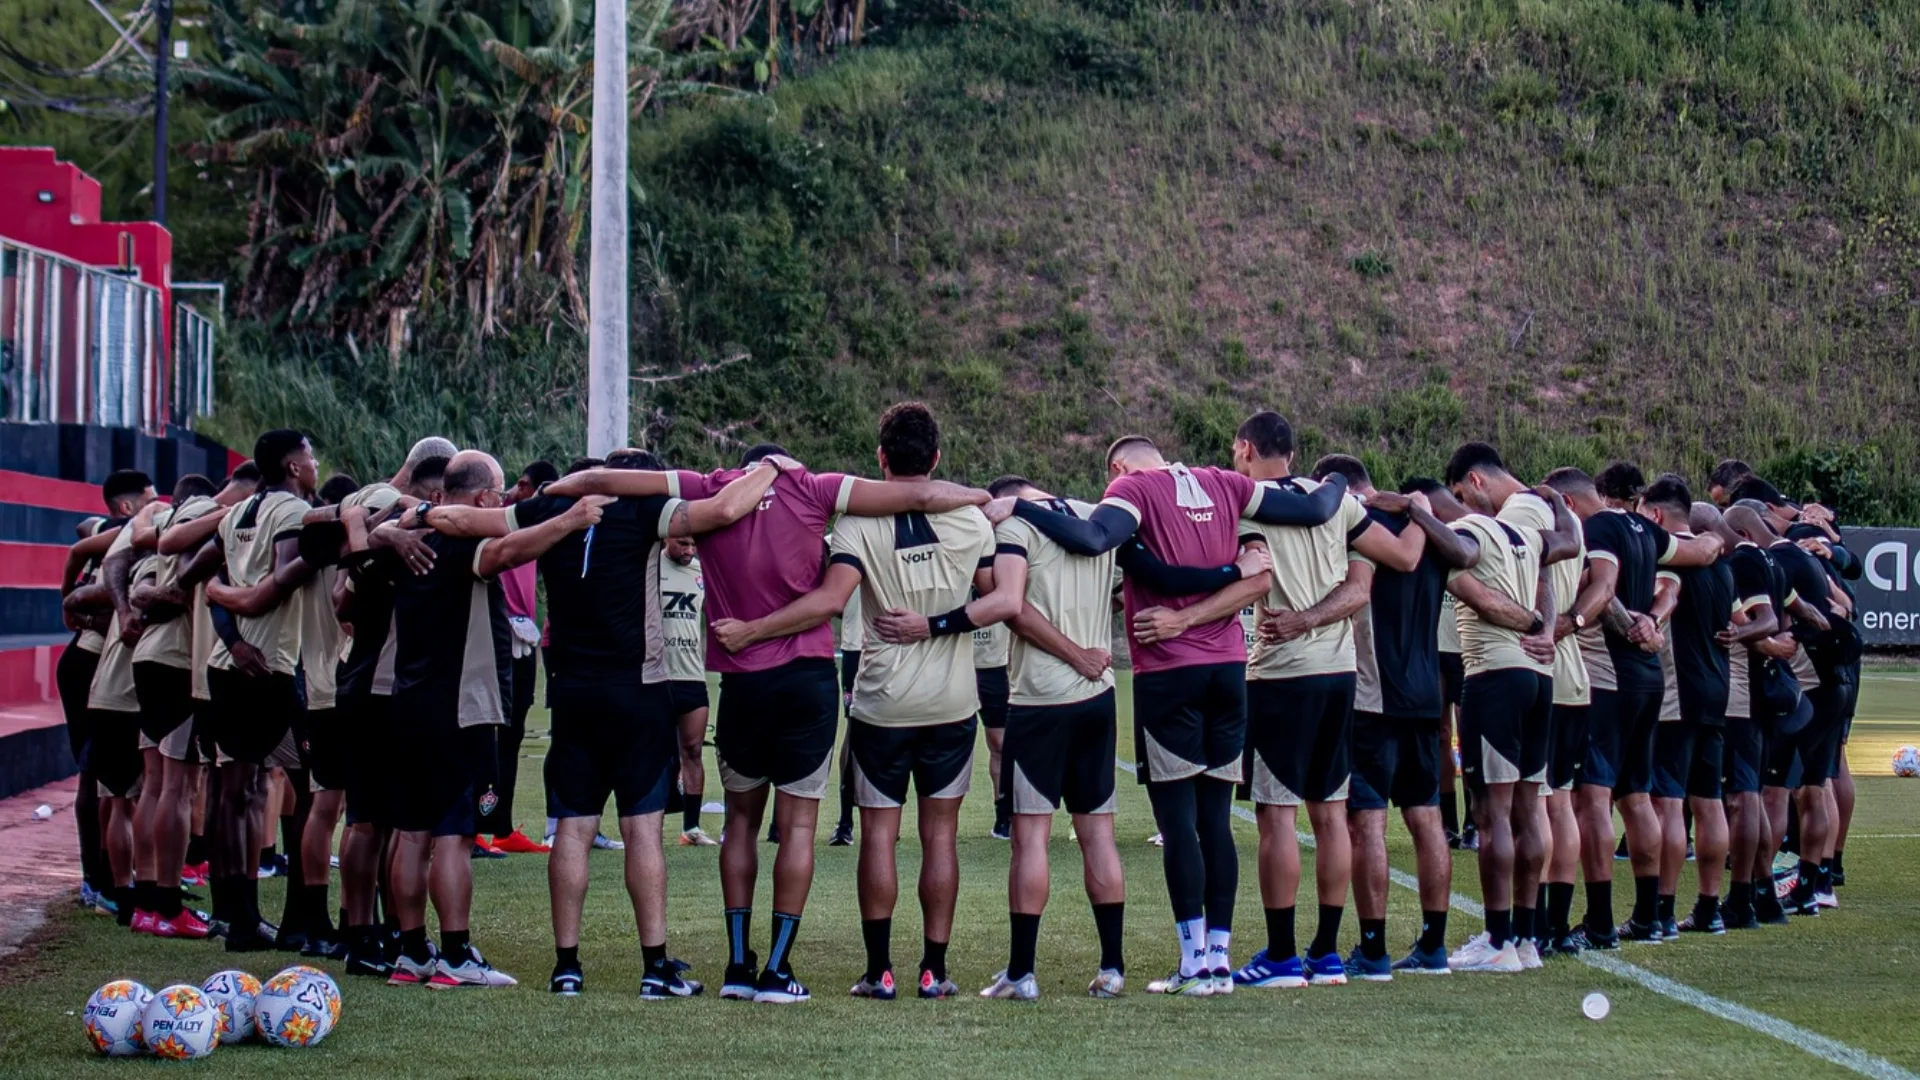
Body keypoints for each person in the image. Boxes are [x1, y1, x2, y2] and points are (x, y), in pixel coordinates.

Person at [542, 438, 992, 1005]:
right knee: (799, 828)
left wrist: (550, 491)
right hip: (809, 682)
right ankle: (779, 970)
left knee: (739, 826)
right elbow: (922, 494)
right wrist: (985, 497)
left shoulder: (711, 485)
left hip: (742, 686)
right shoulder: (816, 487)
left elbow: (603, 481)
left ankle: (737, 965)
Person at [1002, 431, 1349, 997]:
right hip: (1230, 669)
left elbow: (1092, 538)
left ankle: (1193, 963)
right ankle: (1219, 959)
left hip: (1169, 673)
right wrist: (1338, 480)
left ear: (1117, 467)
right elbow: (1311, 509)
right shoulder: (1225, 482)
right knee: (1216, 820)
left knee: (1179, 823)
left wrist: (1019, 504)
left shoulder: (1132, 488)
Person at [711, 404, 1009, 1001]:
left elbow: (831, 598)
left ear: (879, 458)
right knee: (941, 838)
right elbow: (996, 598)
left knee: (878, 837)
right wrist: (939, 620)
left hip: (881, 704)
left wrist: (752, 628)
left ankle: (880, 972)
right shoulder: (974, 525)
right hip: (952, 703)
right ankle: (935, 970)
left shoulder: (853, 524)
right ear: (937, 459)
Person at [370, 450, 605, 989]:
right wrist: (567, 520)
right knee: (452, 835)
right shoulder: (457, 541)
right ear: (481, 499)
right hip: (459, 706)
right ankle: (454, 956)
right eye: (498, 494)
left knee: (411, 834)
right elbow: (506, 550)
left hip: (409, 701)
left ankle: (410, 953)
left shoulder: (408, 535)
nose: (501, 502)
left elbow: (363, 534)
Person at [1214, 418, 1426, 991]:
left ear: (1245, 449)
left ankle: (1281, 957)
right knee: (1331, 813)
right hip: (1341, 675)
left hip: (1280, 674)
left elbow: (1245, 579)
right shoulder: (1333, 501)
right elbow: (1388, 568)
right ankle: (1327, 954)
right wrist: (1420, 507)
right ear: (1294, 453)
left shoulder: (1244, 502)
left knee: (1276, 814)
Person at [1314, 462, 1479, 979]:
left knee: (1368, 823)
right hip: (1426, 694)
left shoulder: (1362, 529)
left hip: (1373, 695)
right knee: (1426, 816)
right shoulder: (1427, 535)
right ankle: (1432, 946)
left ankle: (1373, 948)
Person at [1545, 465, 1719, 948]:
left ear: (1573, 503)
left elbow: (1603, 588)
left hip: (1607, 675)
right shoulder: (1649, 530)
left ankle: (1599, 919)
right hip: (1647, 678)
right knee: (1637, 796)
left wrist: (1569, 621)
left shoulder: (1596, 527)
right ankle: (1652, 916)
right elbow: (1696, 557)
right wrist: (1654, 620)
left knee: (1591, 797)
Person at [972, 476, 1132, 1000]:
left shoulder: (1015, 525)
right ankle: (1112, 969)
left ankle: (1022, 973)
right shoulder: (1095, 513)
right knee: (1098, 835)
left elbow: (1012, 607)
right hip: (1099, 696)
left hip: (1041, 699)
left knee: (1030, 839)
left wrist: (1072, 652)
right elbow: (1124, 588)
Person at [1440, 444, 1579, 972]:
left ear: (1472, 483)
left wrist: (1419, 514)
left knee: (1491, 813)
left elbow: (1467, 572)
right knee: (1528, 809)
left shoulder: (1472, 532)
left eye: (1457, 496)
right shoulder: (1528, 534)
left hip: (1494, 677)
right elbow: (1562, 549)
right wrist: (1557, 502)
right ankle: (1526, 937)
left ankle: (1498, 940)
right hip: (1539, 679)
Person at [203, 432, 321, 952]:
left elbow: (207, 583)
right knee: (302, 789)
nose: (315, 464)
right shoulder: (292, 510)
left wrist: (230, 639)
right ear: (293, 466)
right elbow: (281, 579)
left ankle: (237, 915)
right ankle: (299, 916)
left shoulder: (235, 513)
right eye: (310, 457)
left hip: (225, 664)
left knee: (234, 793)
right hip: (270, 668)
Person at [124, 475, 223, 938]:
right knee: (180, 787)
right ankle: (167, 902)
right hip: (180, 660)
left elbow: (134, 557)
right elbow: (180, 586)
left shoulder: (165, 518)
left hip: (148, 656)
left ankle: (146, 899)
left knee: (155, 784)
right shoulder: (207, 517)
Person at [63, 471, 161, 927]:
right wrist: (73, 598)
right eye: (149, 499)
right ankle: (98, 880)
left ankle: (111, 879)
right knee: (98, 779)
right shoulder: (124, 534)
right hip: (91, 665)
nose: (157, 505)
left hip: (102, 665)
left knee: (112, 785)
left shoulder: (119, 533)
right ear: (127, 508)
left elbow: (83, 535)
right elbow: (81, 545)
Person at [1639, 476, 1734, 936]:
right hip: (1718, 688)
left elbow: (1666, 600)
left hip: (1678, 689)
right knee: (1709, 801)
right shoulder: (1719, 562)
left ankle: (1661, 910)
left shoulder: (1672, 557)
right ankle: (1709, 907)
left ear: (1657, 516)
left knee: (1668, 803)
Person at [1690, 502, 1779, 930]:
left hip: (1735, 695)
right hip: (1744, 692)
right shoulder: (1744, 562)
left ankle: (1742, 899)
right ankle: (1762, 894)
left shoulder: (1734, 563)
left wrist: (1739, 634)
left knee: (1740, 798)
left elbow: (1763, 622)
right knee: (1748, 795)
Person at [656, 532, 718, 846]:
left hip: (692, 674)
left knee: (693, 750)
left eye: (694, 544)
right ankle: (648, 828)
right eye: (682, 543)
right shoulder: (651, 567)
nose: (689, 550)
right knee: (652, 754)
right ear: (667, 538)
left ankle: (691, 828)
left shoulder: (702, 572)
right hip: (657, 676)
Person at [974, 615, 1013, 840]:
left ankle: (1003, 815)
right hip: (953, 663)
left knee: (999, 743)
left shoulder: (1000, 580)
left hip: (994, 668)